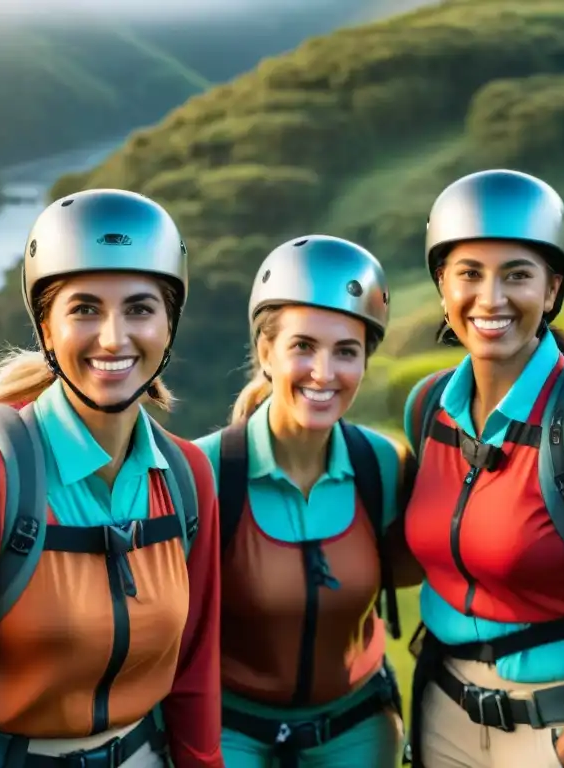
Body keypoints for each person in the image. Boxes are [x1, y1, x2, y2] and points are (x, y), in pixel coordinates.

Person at [0, 189, 224, 768]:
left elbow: (194, 676)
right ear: (46, 327)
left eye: (140, 308)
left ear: (170, 324)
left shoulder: (188, 478)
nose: (114, 337)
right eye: (84, 309)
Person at [402, 170, 564, 768]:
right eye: (469, 273)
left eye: (517, 275)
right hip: (447, 716)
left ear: (552, 290)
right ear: (441, 285)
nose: (490, 299)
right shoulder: (427, 407)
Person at [193, 235, 424, 768]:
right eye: (303, 347)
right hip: (229, 732)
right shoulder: (203, 472)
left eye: (346, 351)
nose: (324, 373)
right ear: (266, 352)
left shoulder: (384, 466)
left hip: (358, 731)